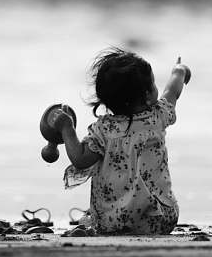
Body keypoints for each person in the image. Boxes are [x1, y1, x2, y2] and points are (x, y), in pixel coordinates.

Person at [51, 49, 191, 235]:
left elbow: (80, 159)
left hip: (111, 222)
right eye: (153, 83)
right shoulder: (158, 115)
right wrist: (179, 71)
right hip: (160, 219)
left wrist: (67, 129)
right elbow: (172, 91)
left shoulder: (104, 131)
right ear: (148, 95)